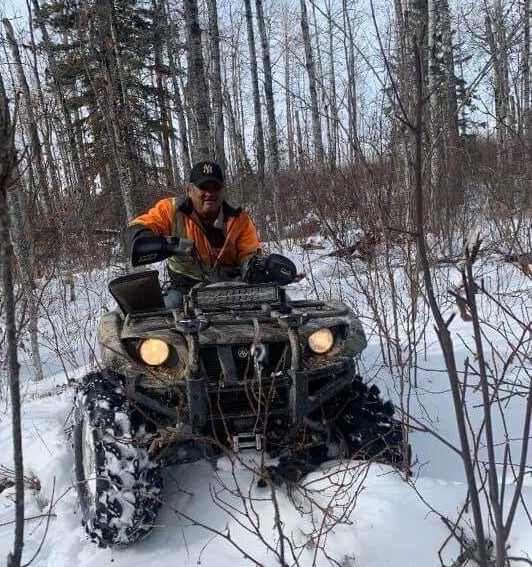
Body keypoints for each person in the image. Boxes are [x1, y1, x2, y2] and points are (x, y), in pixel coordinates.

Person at [125, 160, 261, 306]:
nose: (210, 193)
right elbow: (137, 226)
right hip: (184, 291)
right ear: (189, 190)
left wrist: (256, 267)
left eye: (216, 187)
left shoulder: (239, 220)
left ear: (223, 190)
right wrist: (146, 238)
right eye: (203, 187)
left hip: (231, 292)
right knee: (162, 312)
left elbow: (250, 256)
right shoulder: (171, 211)